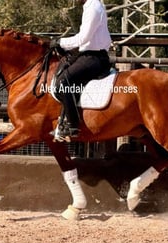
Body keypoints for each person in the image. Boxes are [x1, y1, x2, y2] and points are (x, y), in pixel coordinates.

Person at [50, 0, 112, 140]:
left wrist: (60, 42)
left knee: (63, 82)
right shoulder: (91, 5)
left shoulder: (93, 7)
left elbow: (83, 38)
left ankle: (73, 125)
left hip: (94, 58)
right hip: (88, 55)